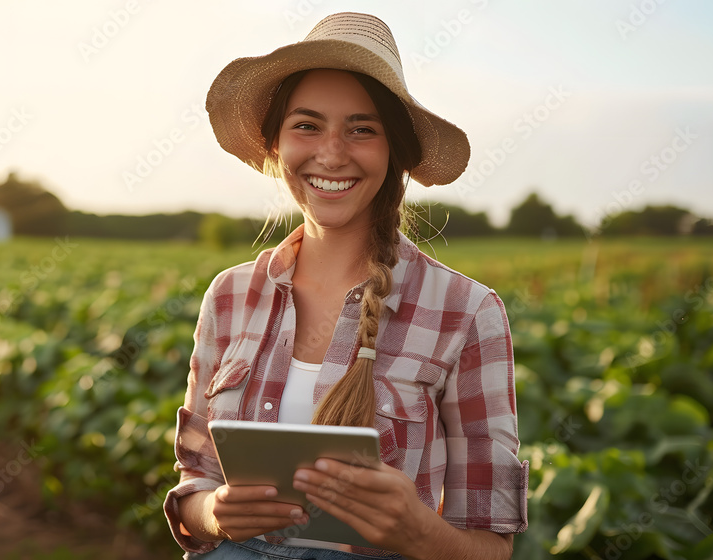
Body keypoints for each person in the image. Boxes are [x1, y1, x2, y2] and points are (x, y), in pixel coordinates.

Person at [163, 12, 528, 559]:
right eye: (306, 125)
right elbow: (193, 483)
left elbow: (492, 547)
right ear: (275, 145)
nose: (331, 153)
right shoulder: (230, 295)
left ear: (395, 154)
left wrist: (416, 531)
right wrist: (213, 512)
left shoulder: (467, 311)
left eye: (362, 129)